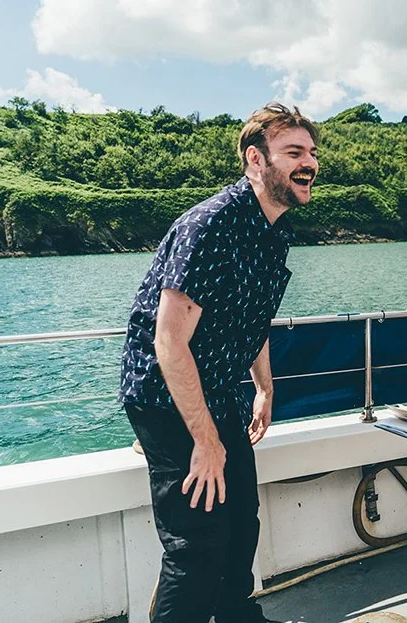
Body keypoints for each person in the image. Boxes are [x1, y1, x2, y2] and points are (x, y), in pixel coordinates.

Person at [118, 102, 318, 623]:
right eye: (293, 152)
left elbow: (252, 320)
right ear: (256, 160)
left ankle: (235, 615)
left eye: (312, 153)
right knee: (197, 541)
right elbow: (168, 342)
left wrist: (265, 389)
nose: (309, 163)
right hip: (166, 395)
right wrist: (205, 442)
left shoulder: (275, 232)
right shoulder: (211, 226)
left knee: (242, 520)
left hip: (222, 389)